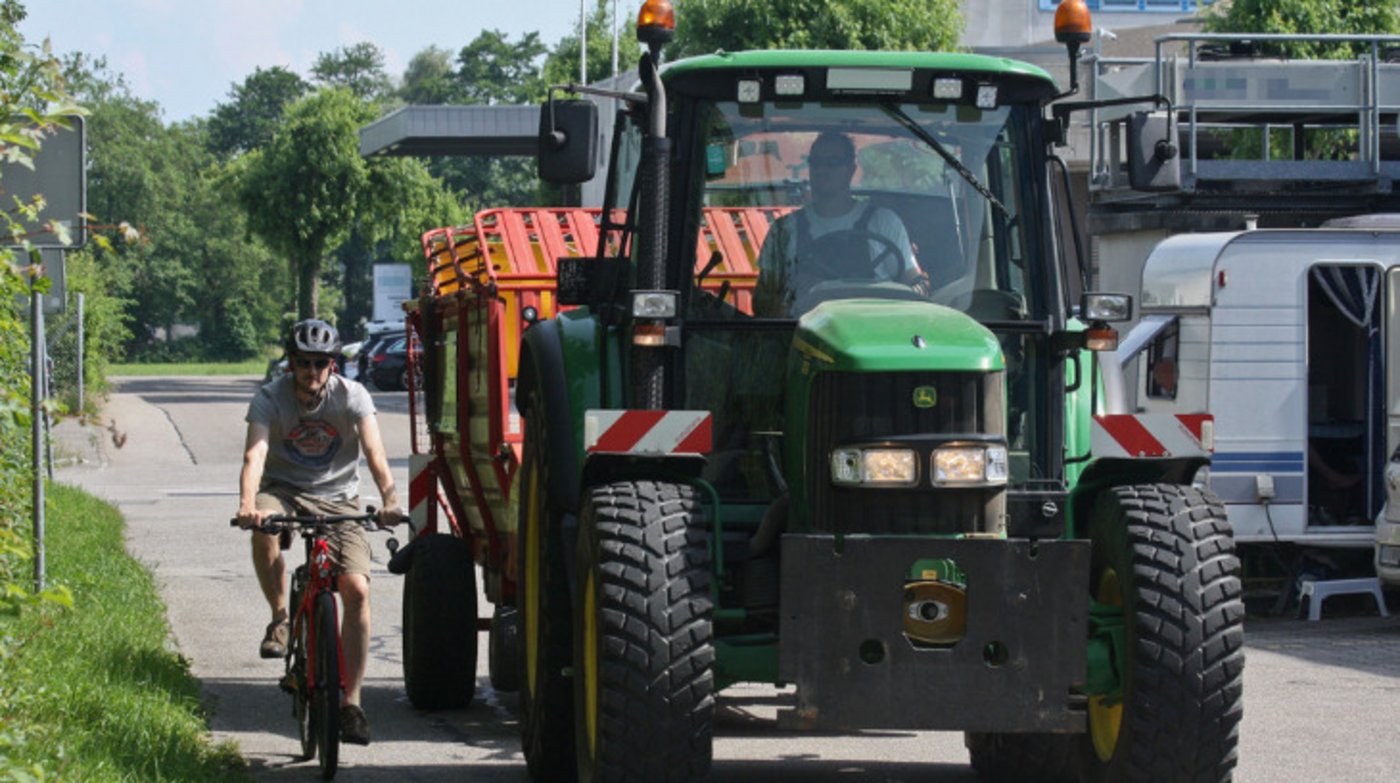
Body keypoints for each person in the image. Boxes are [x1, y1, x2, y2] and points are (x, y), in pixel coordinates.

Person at [235, 318, 404, 747]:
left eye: (321, 364)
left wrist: (389, 499)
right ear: (290, 364)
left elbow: (375, 452)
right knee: (265, 531)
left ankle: (351, 703)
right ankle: (280, 619)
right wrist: (247, 504)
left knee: (357, 590)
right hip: (284, 491)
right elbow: (255, 455)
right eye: (304, 363)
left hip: (339, 499)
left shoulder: (353, 397)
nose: (312, 372)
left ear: (334, 365)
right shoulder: (270, 399)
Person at [753, 131, 931, 316]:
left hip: (875, 329)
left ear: (851, 169)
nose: (823, 170)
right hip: (803, 335)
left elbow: (914, 282)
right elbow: (763, 300)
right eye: (817, 163)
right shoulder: (784, 231)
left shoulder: (884, 222)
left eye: (832, 163)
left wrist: (912, 295)